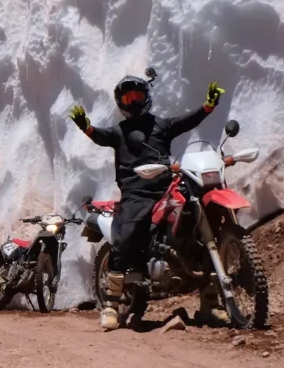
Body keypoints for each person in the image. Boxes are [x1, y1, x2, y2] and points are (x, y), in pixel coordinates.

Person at [70, 76, 227, 331]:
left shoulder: (161, 125)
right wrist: (86, 127)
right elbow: (101, 136)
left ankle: (209, 304)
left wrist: (207, 107)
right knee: (126, 234)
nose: (132, 103)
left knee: (196, 226)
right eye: (126, 99)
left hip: (166, 188)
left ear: (147, 97)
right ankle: (111, 305)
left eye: (137, 97)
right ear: (120, 103)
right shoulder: (119, 131)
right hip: (136, 193)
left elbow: (187, 121)